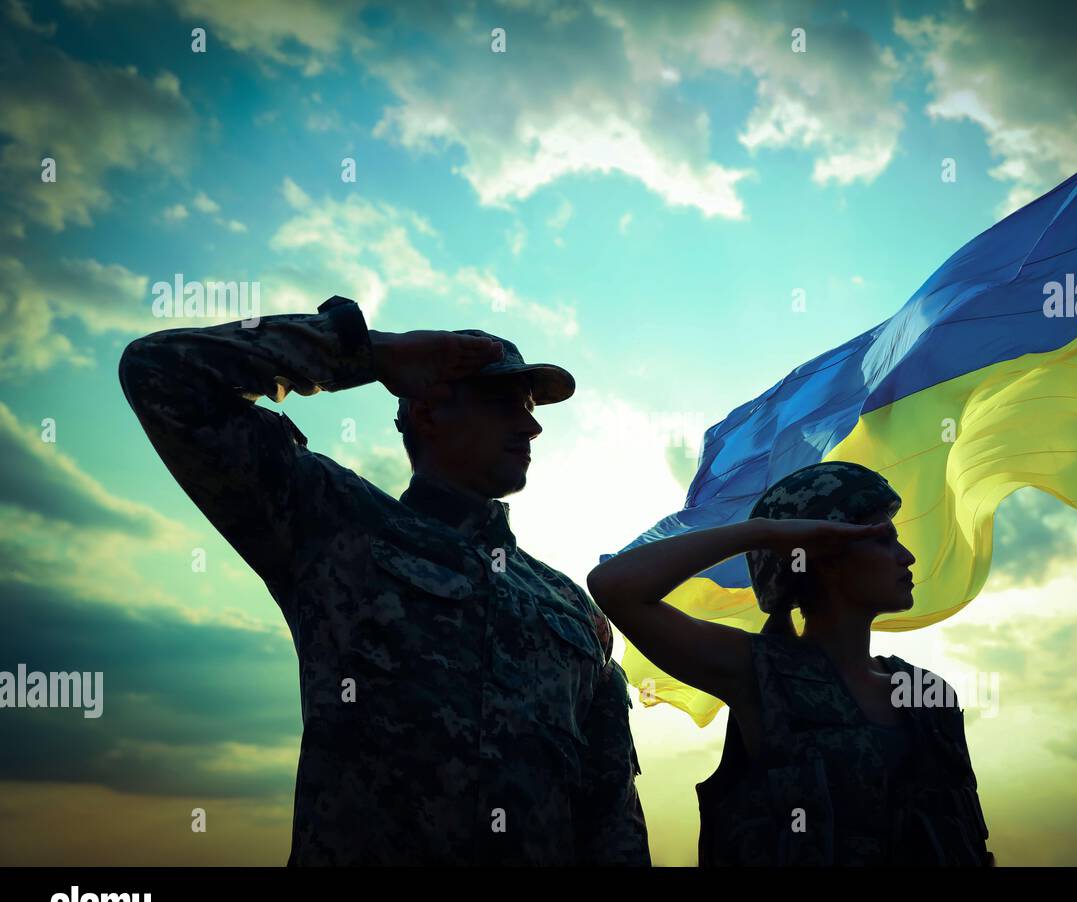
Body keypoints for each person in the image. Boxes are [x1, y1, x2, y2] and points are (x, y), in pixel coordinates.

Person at [119, 294, 650, 865]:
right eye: (503, 402)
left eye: (529, 406)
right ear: (426, 413)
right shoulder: (334, 522)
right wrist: (367, 352)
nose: (532, 425)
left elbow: (611, 809)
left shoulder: (571, 606)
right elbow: (161, 372)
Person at [587, 460, 993, 866]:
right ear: (826, 557)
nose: (906, 557)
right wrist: (762, 533)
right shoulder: (757, 671)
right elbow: (614, 587)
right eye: (883, 540)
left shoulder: (927, 693)